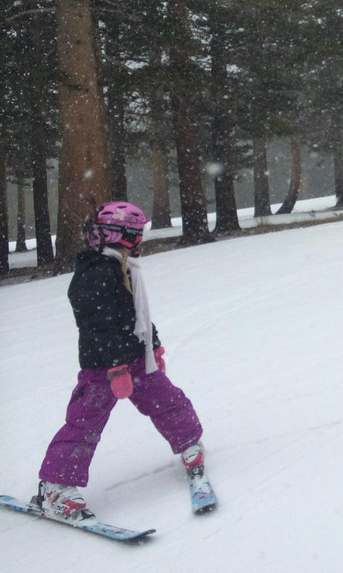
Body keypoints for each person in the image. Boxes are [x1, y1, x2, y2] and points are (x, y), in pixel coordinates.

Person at [34, 201, 207, 521]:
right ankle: (55, 486)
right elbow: (98, 323)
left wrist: (153, 344)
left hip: (136, 357)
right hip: (103, 366)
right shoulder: (95, 271)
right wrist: (115, 365)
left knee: (166, 399)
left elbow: (136, 313)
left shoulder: (123, 266)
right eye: (136, 235)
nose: (140, 241)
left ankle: (189, 443)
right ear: (120, 236)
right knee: (85, 422)